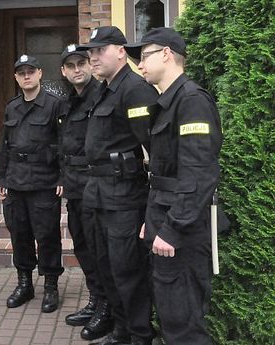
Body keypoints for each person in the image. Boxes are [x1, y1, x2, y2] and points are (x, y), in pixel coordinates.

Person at [125, 27, 222, 345]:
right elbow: (164, 174)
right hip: (165, 218)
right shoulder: (168, 102)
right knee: (169, 314)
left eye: (145, 56)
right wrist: (152, 223)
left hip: (183, 230)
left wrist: (173, 228)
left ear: (166, 54)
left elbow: (198, 174)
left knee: (183, 325)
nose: (139, 65)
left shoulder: (191, 101)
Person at [77, 26, 160, 345]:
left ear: (121, 51)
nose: (93, 57)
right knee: (107, 268)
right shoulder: (104, 88)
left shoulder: (135, 89)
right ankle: (122, 330)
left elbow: (154, 145)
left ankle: (140, 335)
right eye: (91, 52)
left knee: (128, 272)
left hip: (125, 195)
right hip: (97, 192)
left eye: (100, 50)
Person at [0, 54, 64, 313]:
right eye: (21, 72)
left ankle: (50, 286)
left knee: (47, 235)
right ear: (16, 77)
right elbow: (4, 142)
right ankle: (25, 283)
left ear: (39, 74)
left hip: (44, 181)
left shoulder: (55, 105)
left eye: (30, 71)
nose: (26, 76)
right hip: (16, 180)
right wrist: (1, 176)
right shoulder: (12, 106)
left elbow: (64, 142)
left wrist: (62, 177)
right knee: (19, 235)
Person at [58, 44, 111, 333]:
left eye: (82, 63)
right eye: (71, 66)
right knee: (82, 247)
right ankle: (95, 299)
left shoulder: (100, 97)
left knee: (98, 249)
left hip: (95, 187)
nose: (77, 69)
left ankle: (107, 308)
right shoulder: (67, 102)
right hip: (74, 189)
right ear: (63, 72)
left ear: (90, 66)